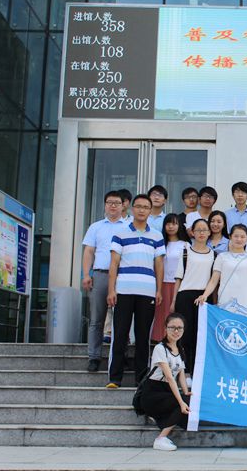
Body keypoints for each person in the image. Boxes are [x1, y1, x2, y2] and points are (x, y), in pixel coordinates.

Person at [106, 194, 165, 388]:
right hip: (123, 290)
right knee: (120, 334)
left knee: (142, 336)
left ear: (150, 210)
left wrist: (159, 290)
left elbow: (159, 265)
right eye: (138, 206)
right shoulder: (121, 233)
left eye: (145, 207)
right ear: (132, 209)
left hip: (147, 291)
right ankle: (114, 378)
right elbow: (113, 263)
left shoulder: (156, 236)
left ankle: (141, 378)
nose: (141, 210)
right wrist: (111, 290)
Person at [82, 190, 129, 372]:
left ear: (123, 205)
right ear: (105, 205)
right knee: (97, 318)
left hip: (123, 276)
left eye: (117, 202)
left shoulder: (129, 226)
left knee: (122, 318)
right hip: (100, 274)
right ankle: (94, 356)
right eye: (110, 202)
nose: (113, 206)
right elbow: (89, 251)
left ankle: (121, 355)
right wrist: (86, 274)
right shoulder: (96, 227)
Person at [170, 219, 214, 378]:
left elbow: (213, 280)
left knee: (199, 336)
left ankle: (196, 373)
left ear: (209, 232)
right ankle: (184, 372)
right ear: (192, 233)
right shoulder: (185, 251)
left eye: (204, 230)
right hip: (185, 295)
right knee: (184, 335)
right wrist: (174, 300)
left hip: (204, 297)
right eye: (198, 230)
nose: (201, 233)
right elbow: (178, 278)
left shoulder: (214, 254)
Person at [140, 313, 191, 451]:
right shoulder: (160, 348)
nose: (176, 331)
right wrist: (182, 401)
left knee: (189, 401)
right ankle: (161, 439)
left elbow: (181, 374)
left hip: (166, 391)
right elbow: (169, 377)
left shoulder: (180, 349)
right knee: (182, 403)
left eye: (180, 328)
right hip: (153, 392)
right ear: (165, 328)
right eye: (172, 327)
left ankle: (161, 417)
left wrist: (186, 392)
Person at [197, 224, 247, 318]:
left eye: (242, 237)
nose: (239, 239)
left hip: (246, 300)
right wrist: (204, 295)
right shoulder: (222, 257)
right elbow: (214, 280)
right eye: (236, 236)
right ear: (230, 237)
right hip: (225, 299)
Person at [151, 214, 189, 343]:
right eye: (168, 224)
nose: (171, 227)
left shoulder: (185, 245)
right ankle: (160, 339)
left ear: (179, 226)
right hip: (162, 283)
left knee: (175, 313)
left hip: (178, 284)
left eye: (174, 224)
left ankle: (176, 341)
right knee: (162, 313)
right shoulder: (160, 244)